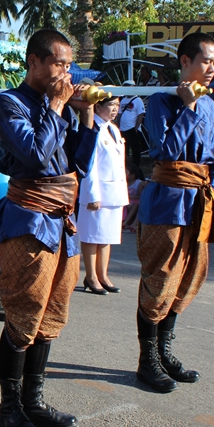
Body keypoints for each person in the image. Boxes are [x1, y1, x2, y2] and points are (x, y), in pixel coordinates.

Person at [0, 29, 95, 427]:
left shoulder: (60, 106)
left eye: (69, 65)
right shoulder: (8, 103)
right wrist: (56, 106)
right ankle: (9, 407)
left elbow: (78, 166)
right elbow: (34, 155)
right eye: (59, 63)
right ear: (34, 61)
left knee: (52, 310)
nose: (66, 72)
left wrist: (86, 117)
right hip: (28, 220)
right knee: (24, 310)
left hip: (63, 220)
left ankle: (33, 400)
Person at [135, 32, 214, 394]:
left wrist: (211, 189)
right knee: (159, 278)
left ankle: (164, 352)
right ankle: (147, 361)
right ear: (185, 61)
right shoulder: (161, 100)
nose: (212, 68)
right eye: (206, 61)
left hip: (198, 202)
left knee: (189, 276)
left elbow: (213, 157)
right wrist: (187, 108)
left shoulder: (211, 105)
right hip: (167, 200)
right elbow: (165, 152)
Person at [78, 95, 127, 295]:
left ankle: (103, 275)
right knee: (92, 236)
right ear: (98, 107)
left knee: (107, 236)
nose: (115, 109)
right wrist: (92, 194)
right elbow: (89, 165)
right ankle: (91, 276)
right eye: (111, 105)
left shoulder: (113, 129)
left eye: (118, 105)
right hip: (97, 192)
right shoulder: (92, 128)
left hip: (114, 191)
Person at [118, 92, 145, 170]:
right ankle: (125, 166)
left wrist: (136, 128)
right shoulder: (123, 100)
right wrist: (118, 126)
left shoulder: (138, 100)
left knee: (135, 149)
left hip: (132, 128)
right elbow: (119, 114)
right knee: (124, 148)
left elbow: (140, 114)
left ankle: (136, 167)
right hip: (123, 129)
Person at [123, 164, 143, 232]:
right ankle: (123, 221)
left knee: (136, 204)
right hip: (127, 202)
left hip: (134, 201)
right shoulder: (123, 183)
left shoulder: (138, 183)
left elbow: (141, 196)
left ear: (132, 175)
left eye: (126, 172)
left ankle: (125, 222)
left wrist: (130, 197)